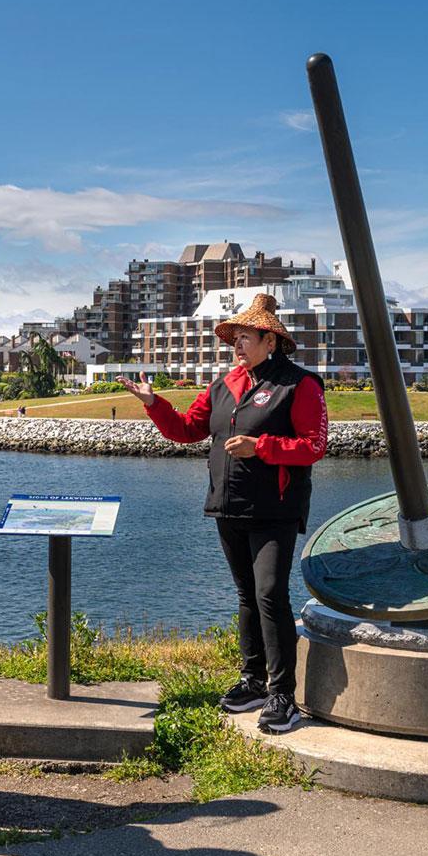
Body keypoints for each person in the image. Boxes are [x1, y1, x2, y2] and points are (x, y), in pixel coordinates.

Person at [122, 293, 327, 733]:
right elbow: (186, 430)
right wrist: (152, 402)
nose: (236, 345)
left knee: (270, 595)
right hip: (228, 507)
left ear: (270, 341)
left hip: (275, 510)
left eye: (245, 337)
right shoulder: (224, 385)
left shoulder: (300, 385)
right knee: (247, 597)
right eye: (234, 338)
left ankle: (282, 695)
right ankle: (253, 680)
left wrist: (263, 448)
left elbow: (314, 446)